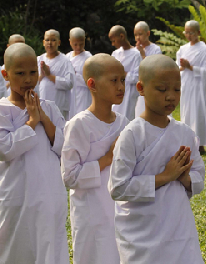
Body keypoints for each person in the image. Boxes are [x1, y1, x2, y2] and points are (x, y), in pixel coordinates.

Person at [0, 43, 69, 264]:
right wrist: (32, 121)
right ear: (6, 74)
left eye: (33, 72)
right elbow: (4, 149)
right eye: (20, 73)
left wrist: (42, 116)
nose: (28, 79)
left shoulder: (49, 108)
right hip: (16, 195)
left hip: (49, 193)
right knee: (16, 246)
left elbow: (64, 147)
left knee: (50, 243)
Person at [108, 54, 205, 264]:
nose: (170, 96)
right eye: (162, 89)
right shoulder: (132, 134)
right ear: (141, 88)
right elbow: (118, 187)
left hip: (179, 227)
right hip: (142, 233)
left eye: (176, 89)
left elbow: (199, 178)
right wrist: (164, 176)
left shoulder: (184, 132)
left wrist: (185, 178)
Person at [62, 54, 129, 264]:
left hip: (119, 209)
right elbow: (70, 176)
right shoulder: (79, 125)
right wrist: (107, 158)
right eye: (114, 80)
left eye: (123, 80)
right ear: (92, 84)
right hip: (90, 211)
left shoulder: (124, 123)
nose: (121, 87)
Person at [176, 20, 206, 153]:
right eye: (186, 32)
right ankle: (188, 143)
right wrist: (182, 67)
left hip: (199, 88)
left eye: (191, 33)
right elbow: (177, 67)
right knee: (187, 113)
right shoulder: (183, 49)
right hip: (187, 86)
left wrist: (191, 67)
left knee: (199, 113)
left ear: (198, 33)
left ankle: (200, 145)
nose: (188, 35)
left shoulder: (204, 49)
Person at [38, 29, 74, 120]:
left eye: (53, 40)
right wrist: (42, 75)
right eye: (47, 40)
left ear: (59, 42)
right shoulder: (38, 59)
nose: (50, 43)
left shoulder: (65, 61)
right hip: (41, 105)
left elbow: (69, 83)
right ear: (43, 42)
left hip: (59, 105)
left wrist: (49, 76)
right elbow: (32, 82)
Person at [109, 25, 142, 120]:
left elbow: (137, 77)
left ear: (122, 36)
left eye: (114, 40)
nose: (112, 44)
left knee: (126, 119)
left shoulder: (136, 54)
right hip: (115, 91)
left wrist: (123, 73)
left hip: (129, 93)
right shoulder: (115, 54)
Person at [133, 21, 162, 117]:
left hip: (152, 87)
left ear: (148, 33)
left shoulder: (156, 49)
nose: (137, 38)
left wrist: (142, 54)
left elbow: (155, 68)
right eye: (135, 35)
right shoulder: (133, 50)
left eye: (140, 34)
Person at [66, 27, 92, 118]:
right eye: (75, 44)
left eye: (81, 44)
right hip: (70, 93)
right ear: (70, 42)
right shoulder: (67, 56)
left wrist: (75, 75)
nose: (78, 47)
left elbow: (90, 79)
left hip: (83, 94)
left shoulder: (88, 57)